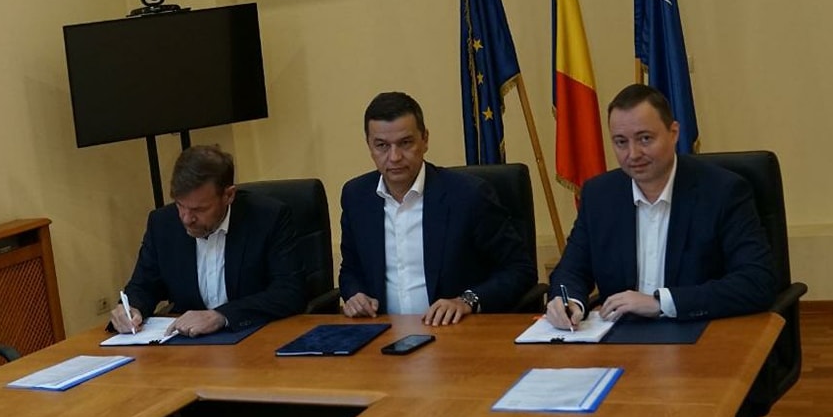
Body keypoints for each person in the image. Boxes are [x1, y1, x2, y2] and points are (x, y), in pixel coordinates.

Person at [547, 84, 776, 330]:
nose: (633, 154)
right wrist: (567, 299)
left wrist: (661, 303)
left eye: (645, 138)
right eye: (621, 142)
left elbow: (756, 281)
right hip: (621, 339)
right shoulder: (599, 195)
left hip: (700, 334)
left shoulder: (723, 192)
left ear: (674, 133)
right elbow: (571, 270)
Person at [339, 91, 535, 326]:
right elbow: (350, 269)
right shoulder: (357, 197)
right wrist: (355, 295)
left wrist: (467, 300)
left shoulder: (468, 195)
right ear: (369, 146)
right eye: (382, 145)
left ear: (425, 140)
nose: (394, 156)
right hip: (382, 335)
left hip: (455, 334)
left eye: (405, 143)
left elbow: (520, 269)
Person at [109, 145, 305, 336]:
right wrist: (131, 309)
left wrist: (222, 315)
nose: (186, 218)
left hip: (255, 338)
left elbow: (289, 292)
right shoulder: (162, 223)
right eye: (180, 205)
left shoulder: (268, 217)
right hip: (189, 348)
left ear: (229, 195)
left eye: (199, 210)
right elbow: (143, 286)